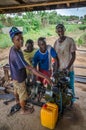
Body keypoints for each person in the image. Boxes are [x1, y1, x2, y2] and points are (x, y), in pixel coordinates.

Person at [9, 27, 52, 115]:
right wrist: (46, 77)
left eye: (22, 38)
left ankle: (17, 101)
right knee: (23, 95)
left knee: (16, 90)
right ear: (13, 40)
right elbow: (31, 68)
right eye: (18, 39)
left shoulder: (14, 48)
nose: (21, 41)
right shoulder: (16, 53)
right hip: (19, 78)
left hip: (15, 76)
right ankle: (23, 110)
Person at [54, 24, 76, 102]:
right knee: (61, 87)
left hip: (69, 69)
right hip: (60, 70)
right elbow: (55, 58)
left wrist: (67, 68)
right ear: (56, 32)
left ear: (64, 30)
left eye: (62, 30)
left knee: (70, 86)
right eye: (59, 31)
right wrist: (55, 70)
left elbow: (73, 56)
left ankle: (72, 101)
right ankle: (63, 101)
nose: (60, 32)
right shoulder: (56, 43)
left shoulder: (70, 41)